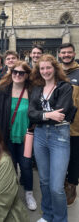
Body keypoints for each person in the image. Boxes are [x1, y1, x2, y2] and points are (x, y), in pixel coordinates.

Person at [29, 54, 76, 222]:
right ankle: (47, 215)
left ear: (55, 68)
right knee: (44, 181)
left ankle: (60, 219)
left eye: (48, 67)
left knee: (56, 187)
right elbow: (31, 114)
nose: (45, 71)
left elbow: (61, 114)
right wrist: (49, 114)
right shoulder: (36, 89)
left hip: (59, 136)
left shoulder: (64, 87)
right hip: (40, 135)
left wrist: (40, 115)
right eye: (42, 68)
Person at [0, 61, 37, 210]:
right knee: (9, 166)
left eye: (21, 73)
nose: (17, 75)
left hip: (26, 136)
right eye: (15, 72)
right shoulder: (2, 90)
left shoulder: (33, 91)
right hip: (7, 135)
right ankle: (11, 194)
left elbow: (36, 112)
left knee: (25, 165)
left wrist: (32, 129)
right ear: (11, 73)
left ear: (27, 75)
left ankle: (28, 193)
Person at [59, 42, 79, 205]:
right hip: (58, 123)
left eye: (69, 52)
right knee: (60, 155)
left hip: (75, 125)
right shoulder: (57, 72)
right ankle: (63, 182)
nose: (66, 55)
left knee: (74, 156)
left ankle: (72, 185)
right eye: (63, 53)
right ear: (60, 54)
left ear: (73, 54)